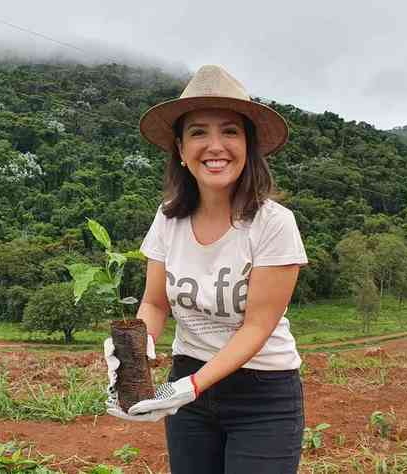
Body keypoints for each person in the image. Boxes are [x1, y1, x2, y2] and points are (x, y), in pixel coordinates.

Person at [104, 64, 308, 473]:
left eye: (230, 131)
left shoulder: (273, 223)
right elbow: (156, 303)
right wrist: (133, 355)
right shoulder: (168, 218)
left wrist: (190, 388)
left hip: (262, 394)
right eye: (198, 132)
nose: (215, 145)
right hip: (188, 381)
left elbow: (256, 326)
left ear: (248, 145)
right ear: (180, 149)